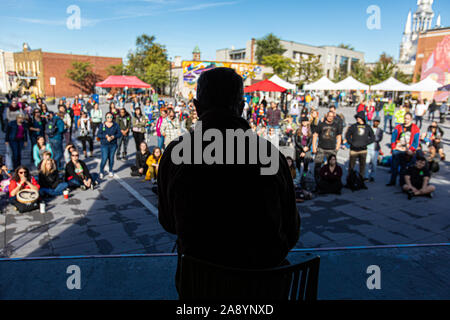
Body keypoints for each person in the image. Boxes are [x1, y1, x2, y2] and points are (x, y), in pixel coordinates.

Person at [157, 67, 300, 294]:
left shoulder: (177, 154)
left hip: (200, 288)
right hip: (263, 290)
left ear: (197, 107)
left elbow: (168, 223)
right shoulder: (269, 156)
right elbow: (291, 232)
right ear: (242, 107)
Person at [387, 112, 420, 187]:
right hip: (397, 149)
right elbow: (393, 138)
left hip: (407, 151)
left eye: (408, 119)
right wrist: (393, 147)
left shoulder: (415, 128)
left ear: (411, 119)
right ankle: (392, 181)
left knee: (403, 168)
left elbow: (416, 142)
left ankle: (402, 182)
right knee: (394, 167)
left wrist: (411, 149)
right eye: (405, 118)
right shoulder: (398, 127)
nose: (406, 120)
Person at [312, 111, 342, 183]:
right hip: (321, 148)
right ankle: (317, 181)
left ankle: (331, 181)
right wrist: (313, 146)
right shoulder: (321, 125)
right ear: (326, 116)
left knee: (332, 165)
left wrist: (337, 147)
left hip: (332, 148)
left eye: (332, 116)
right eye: (329, 116)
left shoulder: (336, 125)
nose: (330, 118)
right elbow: (315, 135)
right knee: (318, 165)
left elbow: (339, 136)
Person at [345, 111, 375, 179]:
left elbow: (372, 137)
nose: (357, 118)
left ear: (362, 118)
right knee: (351, 166)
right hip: (353, 149)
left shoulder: (367, 127)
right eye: (357, 117)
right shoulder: (353, 126)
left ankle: (361, 180)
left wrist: (366, 143)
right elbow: (347, 135)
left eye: (358, 117)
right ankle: (350, 180)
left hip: (363, 150)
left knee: (362, 166)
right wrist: (351, 143)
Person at [98, 112, 122, 179]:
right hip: (104, 144)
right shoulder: (102, 125)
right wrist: (105, 136)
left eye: (111, 117)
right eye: (108, 117)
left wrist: (113, 136)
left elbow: (119, 134)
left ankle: (110, 170)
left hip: (113, 144)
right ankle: (101, 171)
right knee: (104, 158)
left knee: (111, 158)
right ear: (105, 118)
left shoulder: (115, 125)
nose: (109, 118)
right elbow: (98, 134)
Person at [365, 116, 383, 182]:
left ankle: (372, 175)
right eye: (375, 121)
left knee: (374, 164)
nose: (376, 122)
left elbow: (379, 138)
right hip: (368, 147)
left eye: (377, 121)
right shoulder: (369, 128)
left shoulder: (380, 130)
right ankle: (366, 176)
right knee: (366, 163)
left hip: (375, 149)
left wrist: (372, 138)